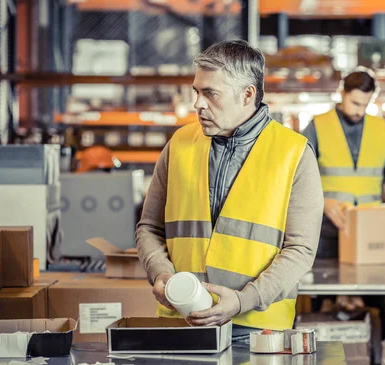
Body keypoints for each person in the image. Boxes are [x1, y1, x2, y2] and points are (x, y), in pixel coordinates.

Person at [135, 40, 323, 343]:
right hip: (182, 322)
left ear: (247, 94)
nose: (198, 103)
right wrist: (160, 274)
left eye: (210, 93)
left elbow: (300, 250)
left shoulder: (294, 153)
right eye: (197, 91)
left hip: (258, 330)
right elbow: (149, 227)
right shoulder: (179, 145)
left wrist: (243, 300)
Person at [301, 68, 385, 338]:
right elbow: (295, 179)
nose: (360, 110)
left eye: (366, 104)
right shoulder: (318, 126)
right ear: (342, 93)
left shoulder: (381, 130)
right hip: (326, 232)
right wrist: (324, 203)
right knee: (323, 304)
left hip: (368, 236)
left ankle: (377, 364)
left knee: (374, 305)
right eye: (355, 103)